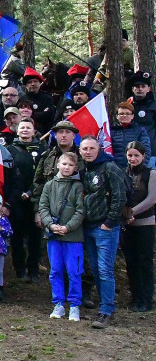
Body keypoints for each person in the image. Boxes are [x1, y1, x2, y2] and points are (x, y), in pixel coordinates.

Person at [79, 135, 126, 328]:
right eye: (84, 149)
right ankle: (103, 304)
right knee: (96, 269)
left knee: (105, 270)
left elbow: (120, 196)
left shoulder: (110, 168)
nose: (88, 152)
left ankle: (106, 310)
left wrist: (109, 221)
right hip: (88, 226)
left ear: (99, 149)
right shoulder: (84, 170)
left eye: (91, 148)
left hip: (105, 227)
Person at [39, 152, 86, 321]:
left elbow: (81, 210)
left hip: (73, 237)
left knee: (74, 271)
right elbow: (43, 207)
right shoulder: (49, 185)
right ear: (58, 164)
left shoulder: (78, 186)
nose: (67, 168)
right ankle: (58, 303)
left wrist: (68, 227)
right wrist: (50, 225)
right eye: (64, 164)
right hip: (54, 237)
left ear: (75, 168)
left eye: (70, 165)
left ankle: (74, 305)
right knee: (56, 270)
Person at [7, 118, 44, 282]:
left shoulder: (43, 149)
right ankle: (19, 269)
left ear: (34, 130)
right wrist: (18, 193)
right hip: (16, 200)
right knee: (17, 236)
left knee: (35, 237)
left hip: (36, 199)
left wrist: (31, 192)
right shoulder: (9, 150)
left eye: (28, 127)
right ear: (17, 130)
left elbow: (44, 176)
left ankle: (34, 269)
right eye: (22, 127)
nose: (25, 130)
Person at [123, 142, 156, 312]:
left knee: (144, 261)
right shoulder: (123, 173)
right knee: (131, 261)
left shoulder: (151, 174)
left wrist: (131, 212)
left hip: (145, 224)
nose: (133, 159)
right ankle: (135, 296)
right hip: (128, 226)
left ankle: (146, 298)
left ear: (143, 156)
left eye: (136, 155)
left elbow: (152, 199)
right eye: (130, 155)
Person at [111, 102, 151, 168]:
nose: (124, 116)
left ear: (132, 116)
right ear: (117, 116)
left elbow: (146, 150)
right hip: (115, 170)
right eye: (121, 114)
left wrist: (141, 168)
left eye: (127, 114)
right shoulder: (111, 131)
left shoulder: (140, 131)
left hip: (135, 169)